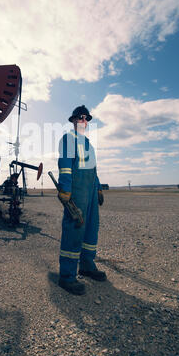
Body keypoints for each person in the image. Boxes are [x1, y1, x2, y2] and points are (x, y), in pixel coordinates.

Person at [57, 105, 106, 295]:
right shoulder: (68, 139)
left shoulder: (89, 144)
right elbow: (65, 165)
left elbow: (93, 170)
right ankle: (67, 276)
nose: (83, 121)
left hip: (91, 192)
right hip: (76, 191)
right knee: (75, 229)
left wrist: (99, 189)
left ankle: (86, 265)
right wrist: (66, 189)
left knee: (91, 229)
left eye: (86, 119)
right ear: (73, 120)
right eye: (80, 118)